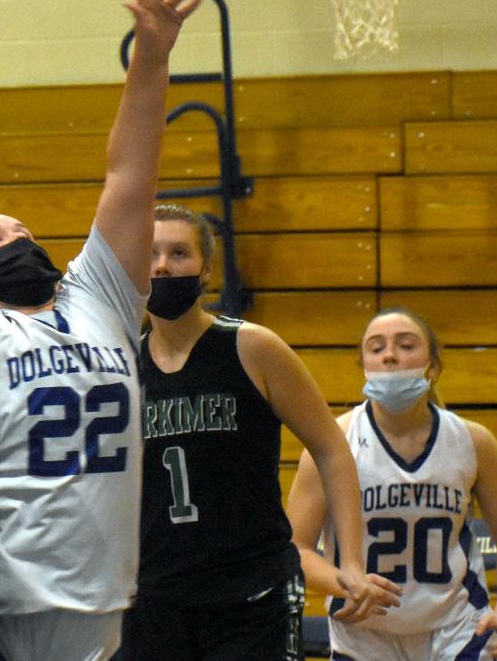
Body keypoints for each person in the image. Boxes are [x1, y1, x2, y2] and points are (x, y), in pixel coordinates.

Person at [0, 0, 202, 661]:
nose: (11, 236)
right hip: (3, 594)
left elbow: (132, 175)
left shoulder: (98, 297)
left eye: (20, 229)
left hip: (107, 594)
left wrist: (152, 57)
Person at [115, 203, 395, 661]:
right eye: (150, 254)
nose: (163, 265)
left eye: (179, 252)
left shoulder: (252, 347)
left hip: (250, 593)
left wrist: (353, 562)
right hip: (153, 594)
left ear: (206, 268)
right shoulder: (119, 364)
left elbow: (330, 448)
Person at [288, 307, 497, 661]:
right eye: (376, 347)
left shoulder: (473, 442)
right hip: (364, 635)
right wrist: (344, 582)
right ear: (364, 364)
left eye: (406, 344)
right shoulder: (332, 442)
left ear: (433, 365)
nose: (390, 355)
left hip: (457, 629)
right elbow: (296, 548)